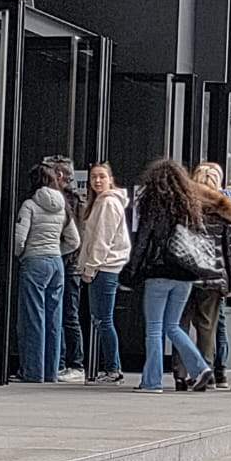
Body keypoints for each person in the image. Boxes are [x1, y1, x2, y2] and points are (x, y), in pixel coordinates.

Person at [123, 158, 217, 393]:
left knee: (154, 328)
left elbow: (143, 240)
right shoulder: (190, 205)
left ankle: (152, 381)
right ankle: (201, 368)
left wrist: (131, 271)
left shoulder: (152, 204)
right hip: (185, 275)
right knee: (173, 326)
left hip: (159, 272)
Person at [175, 164, 231, 388]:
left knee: (180, 324)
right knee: (207, 327)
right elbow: (230, 250)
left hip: (185, 275)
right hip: (213, 277)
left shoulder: (183, 206)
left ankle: (181, 373)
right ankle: (205, 372)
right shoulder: (223, 209)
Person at [14, 163, 79, 383]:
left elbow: (20, 239)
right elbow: (74, 240)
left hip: (34, 262)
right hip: (56, 264)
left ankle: (33, 372)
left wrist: (21, 254)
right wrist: (56, 252)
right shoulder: (63, 206)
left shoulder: (29, 205)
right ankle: (51, 372)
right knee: (54, 319)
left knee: (33, 318)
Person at [77, 163, 130, 383]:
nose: (97, 181)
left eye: (101, 176)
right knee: (100, 319)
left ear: (111, 179)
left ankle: (113, 369)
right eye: (93, 177)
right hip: (103, 267)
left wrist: (90, 268)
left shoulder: (108, 203)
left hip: (104, 268)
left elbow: (102, 239)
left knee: (104, 320)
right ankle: (111, 368)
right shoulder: (100, 203)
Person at [44, 156, 85, 381]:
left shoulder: (69, 201)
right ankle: (60, 362)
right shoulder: (71, 199)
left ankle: (73, 363)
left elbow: (75, 236)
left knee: (68, 314)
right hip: (68, 261)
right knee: (64, 313)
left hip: (68, 262)